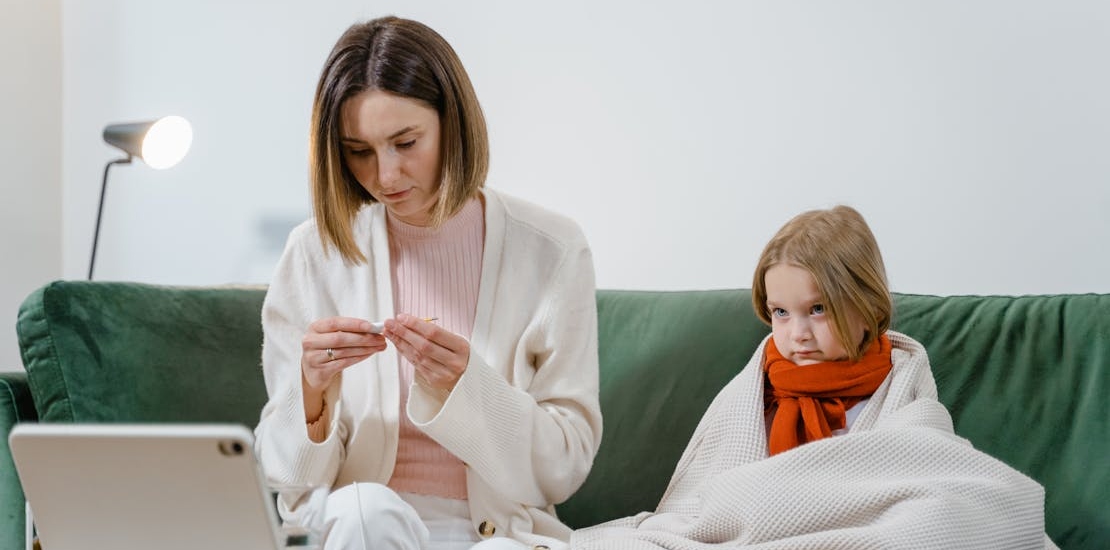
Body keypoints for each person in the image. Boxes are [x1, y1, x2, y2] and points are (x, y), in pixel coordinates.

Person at [253, 16, 602, 550]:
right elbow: (290, 485)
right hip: (363, 529)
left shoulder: (552, 249)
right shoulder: (314, 253)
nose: (385, 177)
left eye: (406, 142)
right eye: (359, 151)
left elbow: (565, 467)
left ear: (452, 123)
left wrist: (471, 387)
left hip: (501, 534)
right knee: (364, 511)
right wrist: (313, 394)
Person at [569, 205, 1056, 549]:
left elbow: (927, 476)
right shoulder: (756, 387)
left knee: (945, 516)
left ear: (865, 307)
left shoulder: (901, 382)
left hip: (855, 530)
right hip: (755, 531)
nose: (797, 333)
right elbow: (707, 500)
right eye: (780, 313)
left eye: (817, 310)